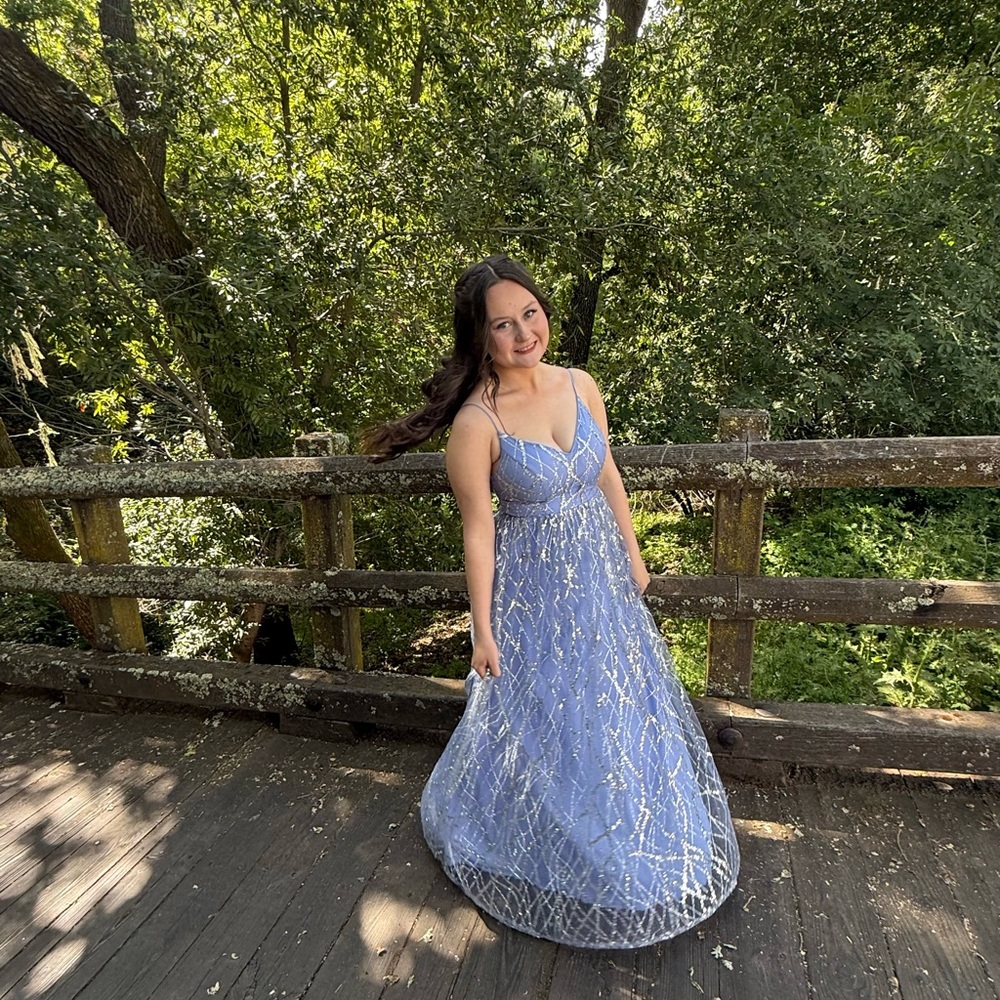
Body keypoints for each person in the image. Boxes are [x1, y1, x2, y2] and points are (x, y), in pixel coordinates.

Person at [363, 255, 739, 948]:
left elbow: (608, 474)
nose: (522, 332)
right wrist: (482, 630)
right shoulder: (477, 424)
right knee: (550, 709)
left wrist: (632, 552)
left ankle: (636, 821)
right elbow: (478, 533)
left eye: (529, 313)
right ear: (480, 338)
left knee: (618, 698)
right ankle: (566, 833)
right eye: (502, 324)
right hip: (532, 592)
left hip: (600, 576)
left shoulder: (580, 383)